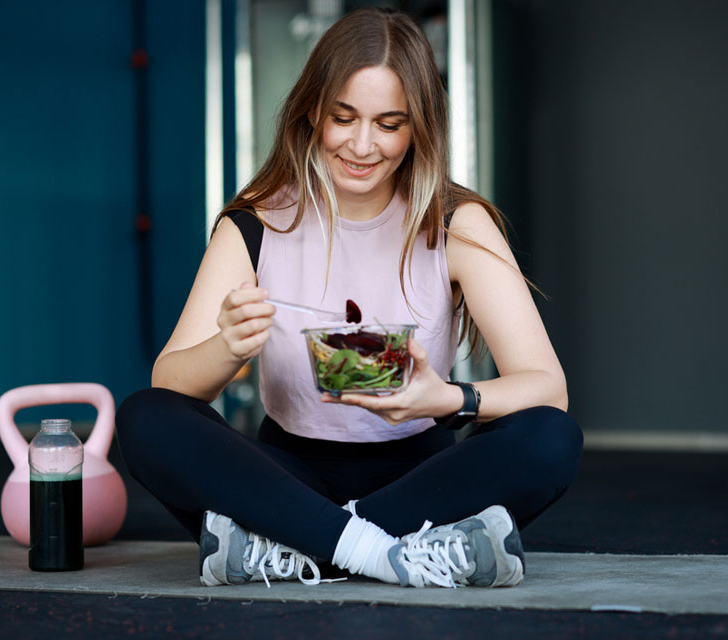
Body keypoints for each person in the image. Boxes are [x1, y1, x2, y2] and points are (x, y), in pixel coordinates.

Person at [115, 7, 581, 589]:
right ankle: (401, 553)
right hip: (286, 473)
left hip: (422, 473)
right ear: (314, 111)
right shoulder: (256, 223)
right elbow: (171, 384)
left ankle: (294, 548)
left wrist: (447, 398)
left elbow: (548, 387)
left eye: (390, 124)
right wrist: (228, 347)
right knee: (144, 419)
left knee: (551, 437)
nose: (363, 145)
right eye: (344, 118)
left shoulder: (458, 222)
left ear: (419, 128)